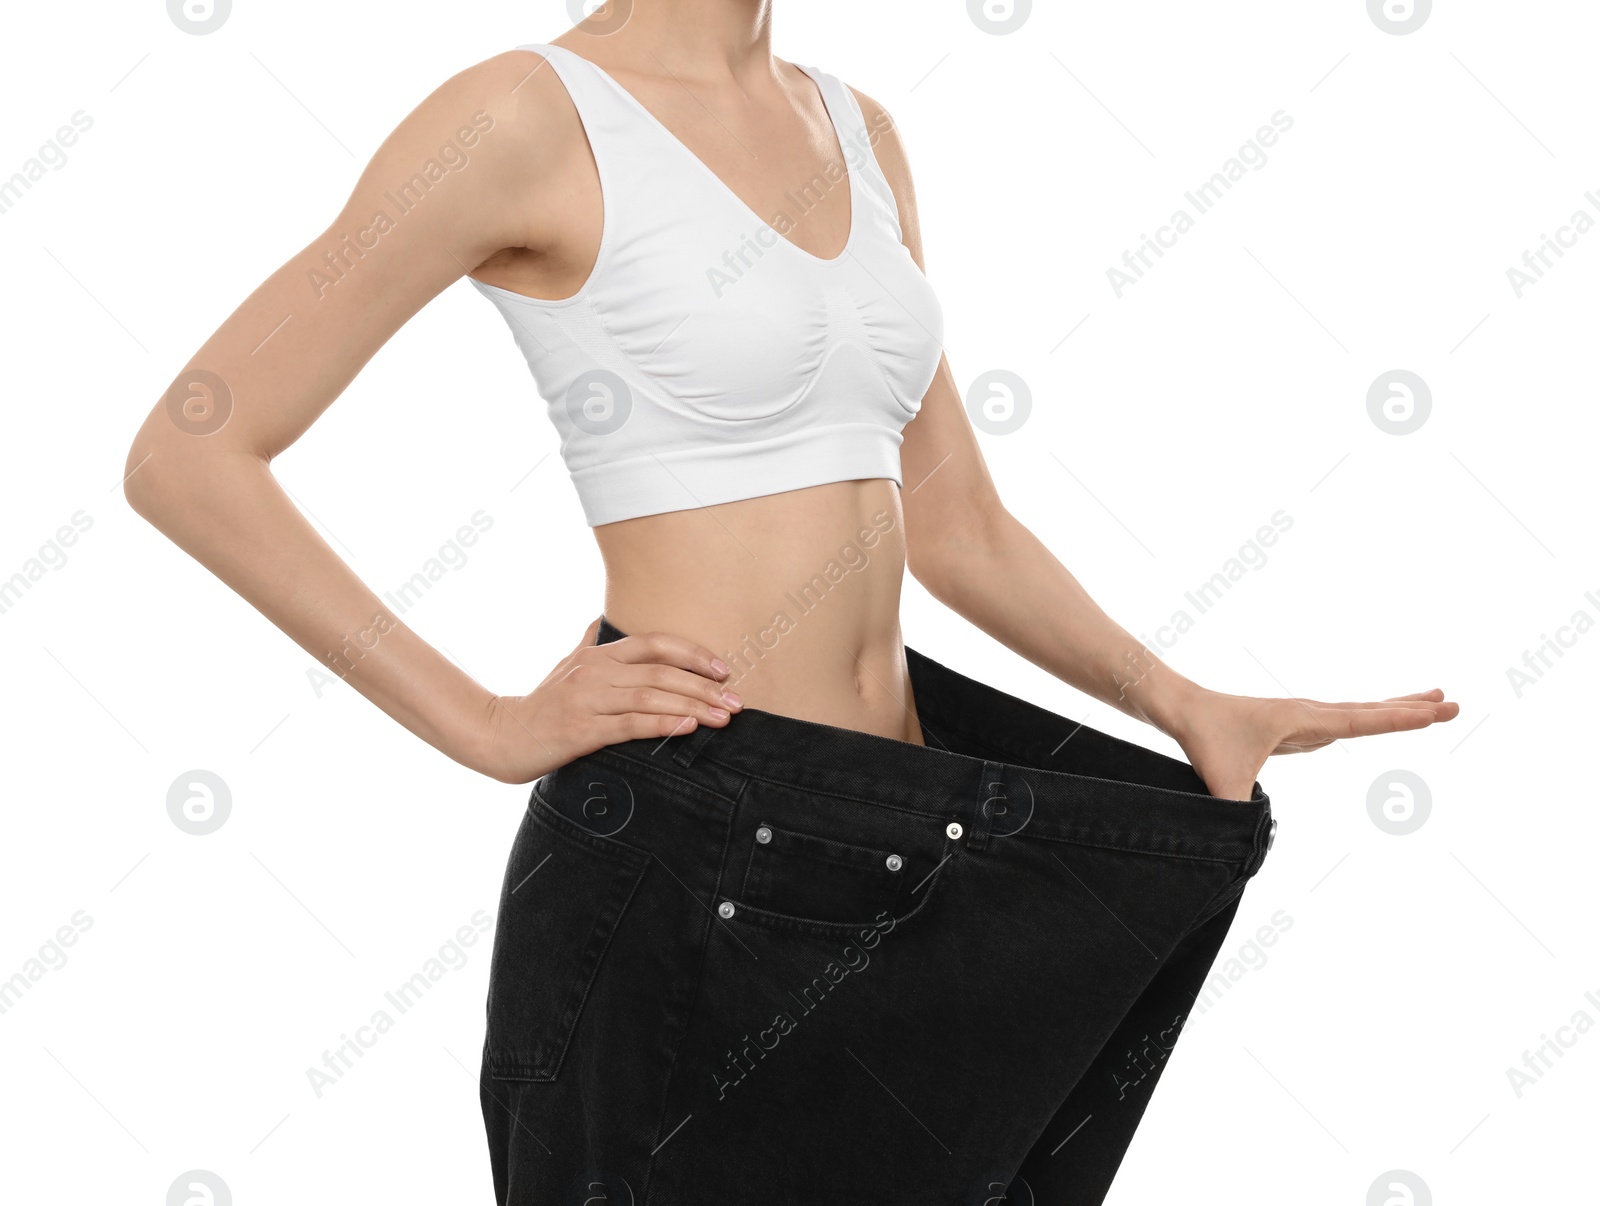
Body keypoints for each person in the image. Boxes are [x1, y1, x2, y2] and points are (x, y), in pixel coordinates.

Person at [123, 5, 1457, 1203]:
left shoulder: (857, 127)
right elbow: (190, 452)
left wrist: (1177, 697)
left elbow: (959, 524)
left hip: (902, 831)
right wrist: (484, 721)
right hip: (695, 845)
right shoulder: (526, 114)